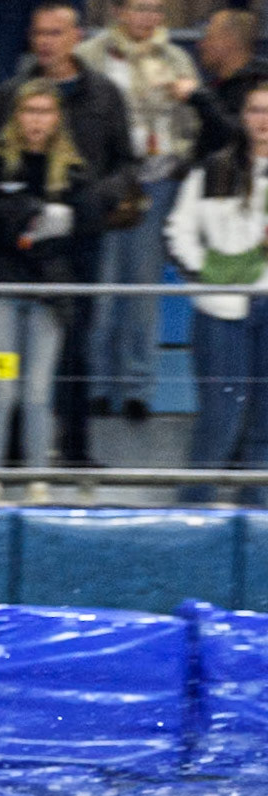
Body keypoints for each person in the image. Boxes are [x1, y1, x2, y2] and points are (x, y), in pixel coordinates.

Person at [0, 2, 136, 468]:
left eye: (55, 33)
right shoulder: (12, 92)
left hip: (82, 239)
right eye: (38, 33)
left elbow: (125, 164)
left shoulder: (105, 94)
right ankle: (14, 450)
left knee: (77, 343)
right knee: (16, 349)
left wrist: (98, 198)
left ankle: (75, 449)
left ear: (77, 36)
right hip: (24, 243)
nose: (45, 42)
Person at [0, 80, 91, 506]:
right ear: (17, 116)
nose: (37, 120)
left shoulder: (72, 169)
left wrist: (20, 221)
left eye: (45, 112)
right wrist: (35, 219)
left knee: (37, 391)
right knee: (1, 389)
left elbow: (81, 229)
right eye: (29, 111)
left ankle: (38, 479)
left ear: (58, 118)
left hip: (46, 293)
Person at [78, 0, 202, 421]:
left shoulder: (177, 58)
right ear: (118, 12)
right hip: (108, 187)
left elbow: (192, 123)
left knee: (143, 294)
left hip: (158, 186)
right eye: (139, 8)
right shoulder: (92, 56)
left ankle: (137, 389)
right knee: (104, 290)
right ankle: (97, 386)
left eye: (155, 9)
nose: (148, 18)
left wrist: (179, 154)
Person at [165, 82, 268, 506]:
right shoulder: (211, 170)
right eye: (257, 110)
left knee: (265, 426)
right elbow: (177, 233)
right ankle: (191, 514)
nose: (264, 121)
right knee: (221, 420)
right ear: (243, 117)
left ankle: (258, 525)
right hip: (220, 313)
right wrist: (213, 274)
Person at [190, 10, 268, 160]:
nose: (201, 44)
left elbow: (240, 138)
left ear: (228, 41)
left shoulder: (259, 86)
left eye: (209, 37)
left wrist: (200, 98)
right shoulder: (216, 87)